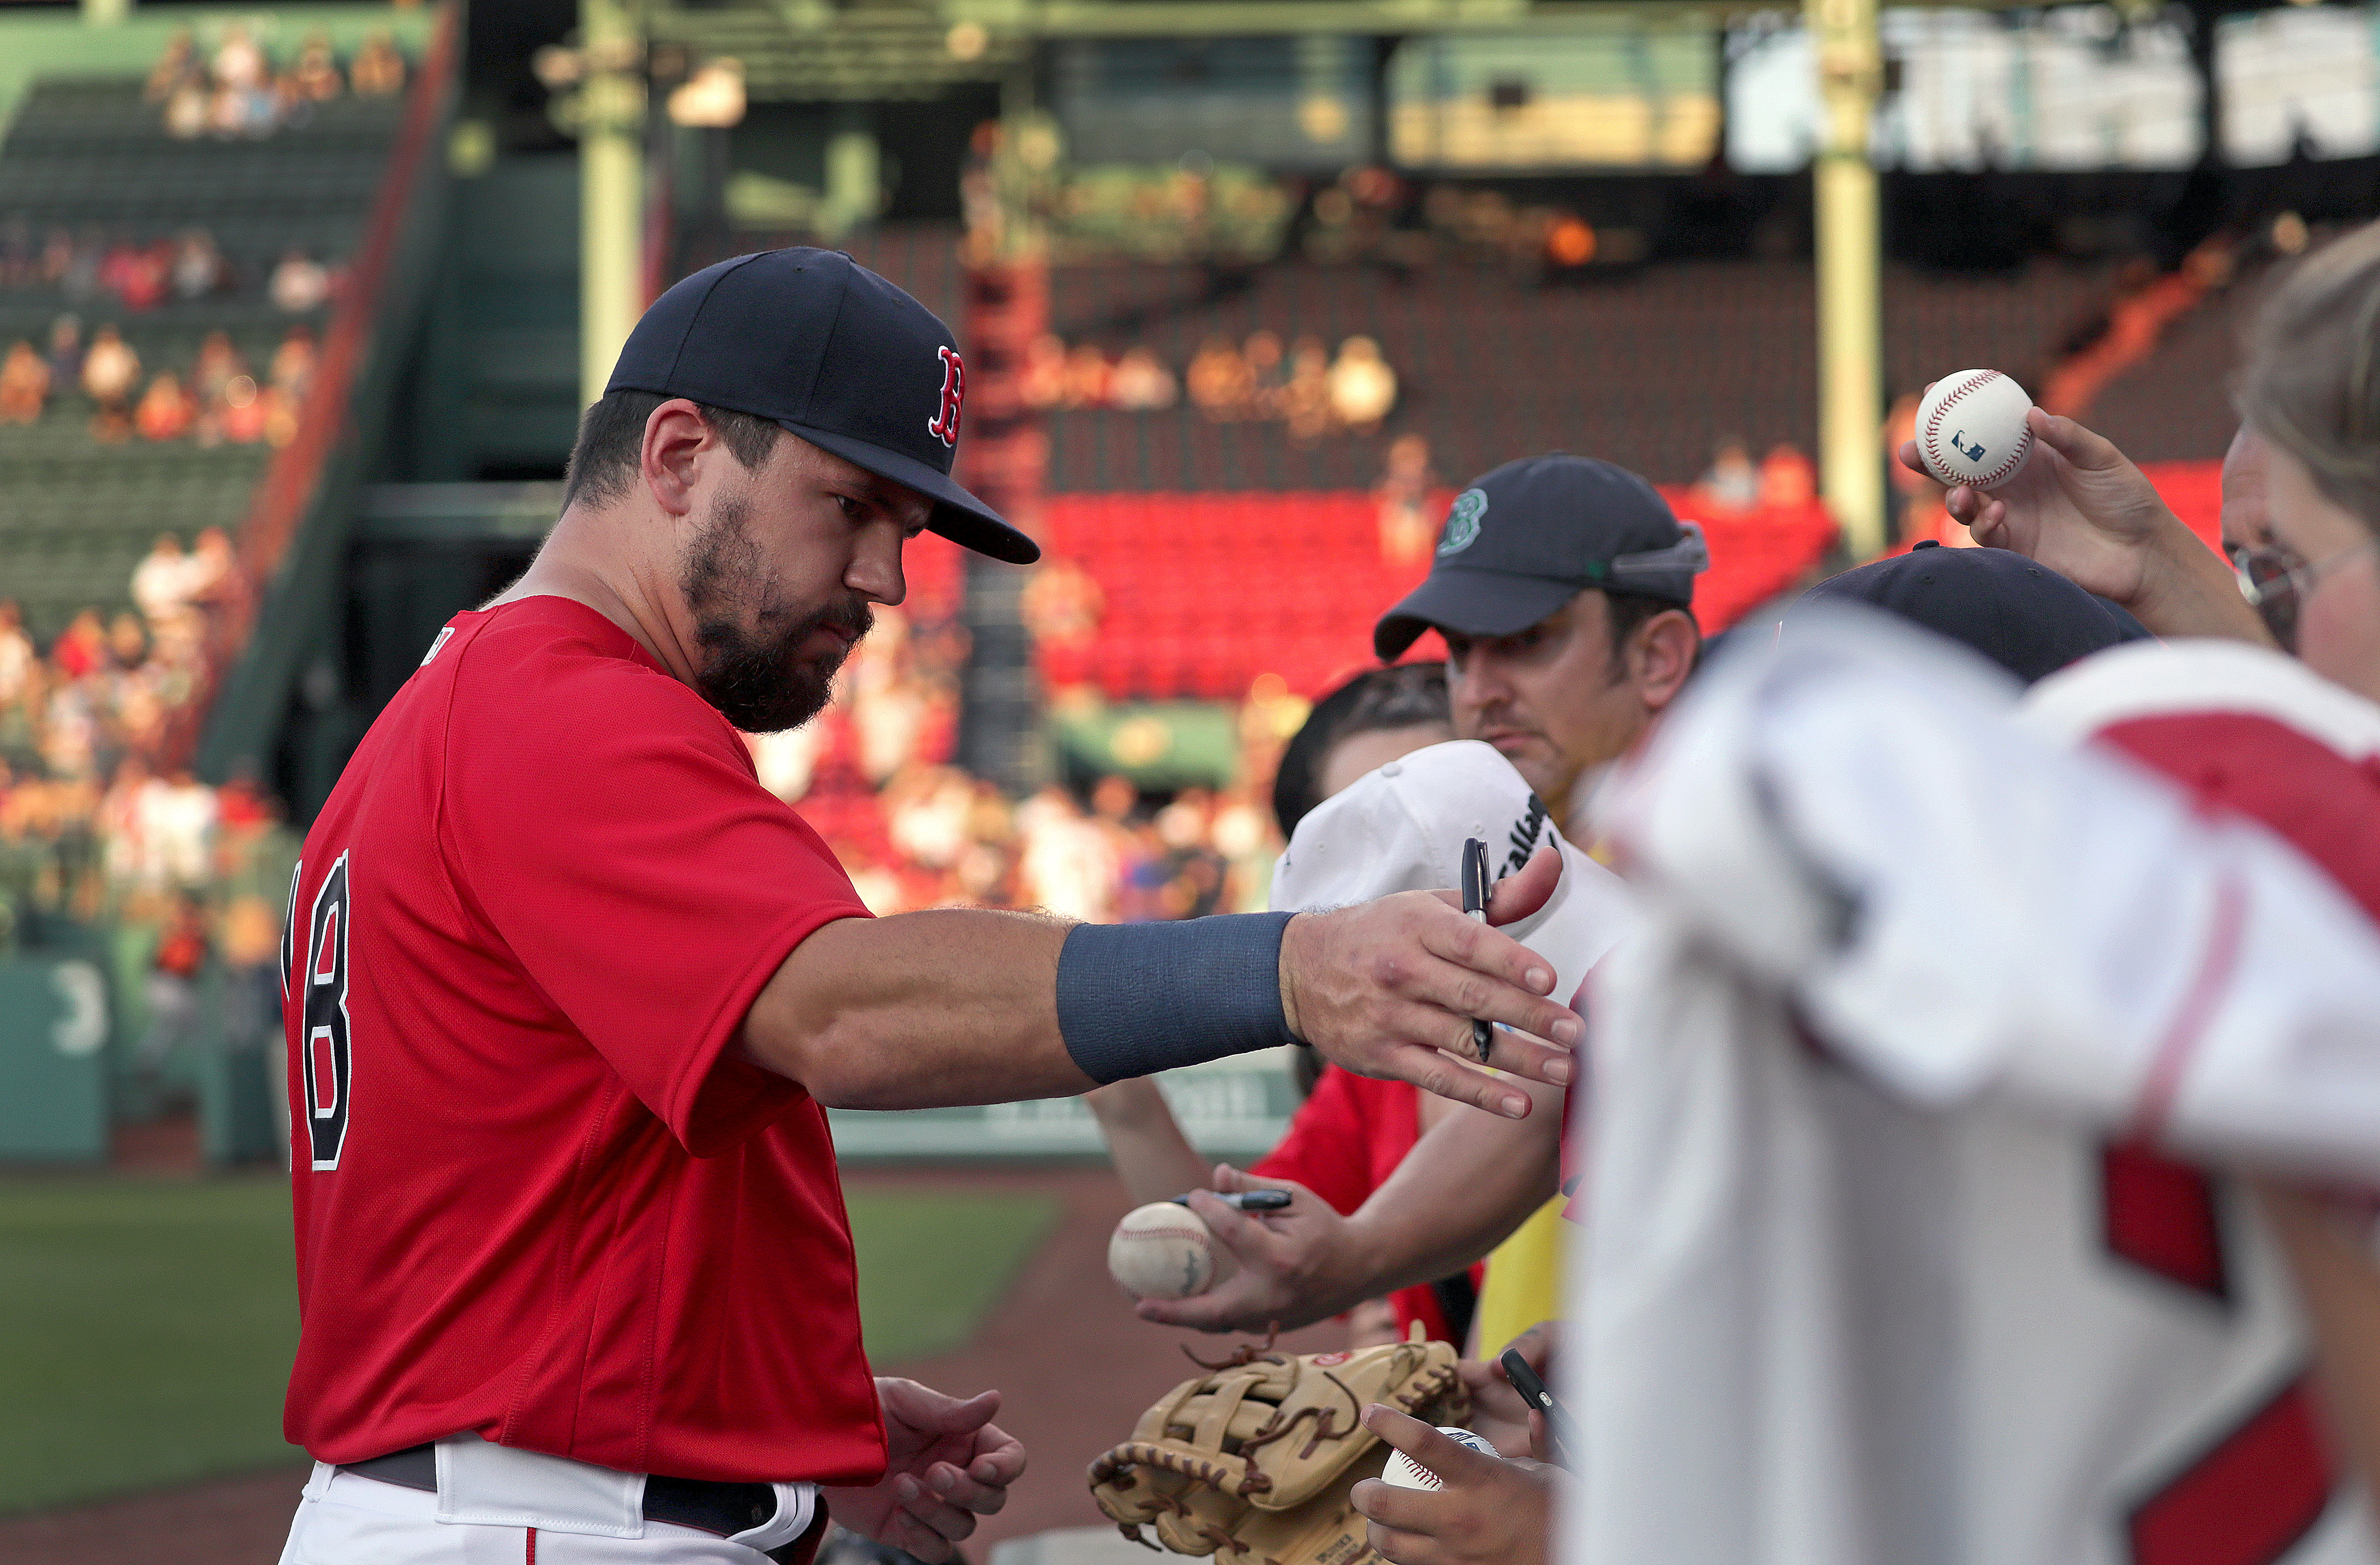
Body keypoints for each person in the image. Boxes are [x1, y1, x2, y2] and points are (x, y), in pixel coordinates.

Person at [272, 249, 1583, 1565]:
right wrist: (1286, 969)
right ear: (675, 457)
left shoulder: (460, 706)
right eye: (851, 506)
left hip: (526, 1494)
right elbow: (849, 1009)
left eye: (904, 526)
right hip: (541, 1521)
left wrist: (767, 1421)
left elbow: (537, 1202)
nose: (889, 579)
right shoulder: (562, 707)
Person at [1137, 453, 1704, 1345]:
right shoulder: (1553, 878)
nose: (1479, 690)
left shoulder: (1715, 882)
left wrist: (1363, 1262)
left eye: (1528, 639)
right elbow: (1547, 1106)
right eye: (1462, 651)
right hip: (1530, 1433)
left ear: (1658, 656)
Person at [1087, 664, 1477, 1347]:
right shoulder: (1376, 1077)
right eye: (1371, 832)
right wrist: (1112, 1080)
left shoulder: (1595, 1027)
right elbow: (1230, 1252)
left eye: (1446, 808)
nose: (1416, 860)